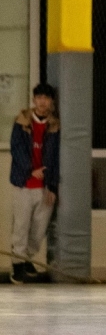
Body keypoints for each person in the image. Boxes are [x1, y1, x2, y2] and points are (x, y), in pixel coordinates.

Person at [9, 83, 60, 284]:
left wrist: (52, 186)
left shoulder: (54, 126)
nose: (42, 102)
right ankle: (17, 265)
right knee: (21, 227)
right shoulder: (22, 122)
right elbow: (17, 149)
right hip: (23, 184)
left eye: (46, 98)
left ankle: (27, 258)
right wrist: (31, 170)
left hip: (44, 187)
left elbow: (56, 158)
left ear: (51, 101)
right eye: (39, 97)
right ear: (33, 100)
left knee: (39, 229)